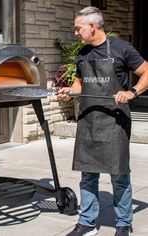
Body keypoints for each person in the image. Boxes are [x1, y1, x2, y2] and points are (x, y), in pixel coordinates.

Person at [57, 6, 148, 236]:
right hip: (88, 121)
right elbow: (79, 84)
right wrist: (71, 91)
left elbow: (147, 72)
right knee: (87, 175)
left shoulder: (121, 48)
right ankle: (87, 223)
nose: (76, 33)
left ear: (92, 26)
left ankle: (123, 223)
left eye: (78, 28)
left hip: (114, 123)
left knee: (119, 176)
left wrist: (132, 92)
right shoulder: (82, 54)